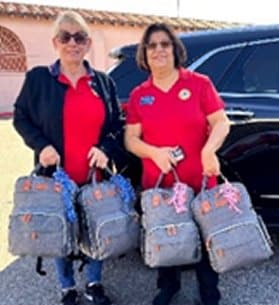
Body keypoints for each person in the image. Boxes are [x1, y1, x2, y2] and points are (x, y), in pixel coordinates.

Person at [13, 10, 123, 305]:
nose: (72, 43)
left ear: (87, 44)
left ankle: (94, 283)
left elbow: (117, 124)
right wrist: (41, 145)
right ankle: (67, 288)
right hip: (56, 175)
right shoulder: (39, 79)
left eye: (79, 37)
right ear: (55, 42)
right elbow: (21, 117)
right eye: (66, 37)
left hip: (93, 175)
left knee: (94, 226)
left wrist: (106, 149)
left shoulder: (102, 83)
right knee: (60, 230)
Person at [124, 23, 230, 305]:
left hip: (201, 181)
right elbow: (130, 139)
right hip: (160, 186)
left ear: (175, 50)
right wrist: (154, 153)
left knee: (205, 240)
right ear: (144, 54)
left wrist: (209, 149)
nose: (158, 49)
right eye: (152, 45)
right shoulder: (138, 95)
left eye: (164, 44)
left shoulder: (199, 84)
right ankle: (167, 287)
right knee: (165, 237)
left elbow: (221, 122)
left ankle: (209, 294)